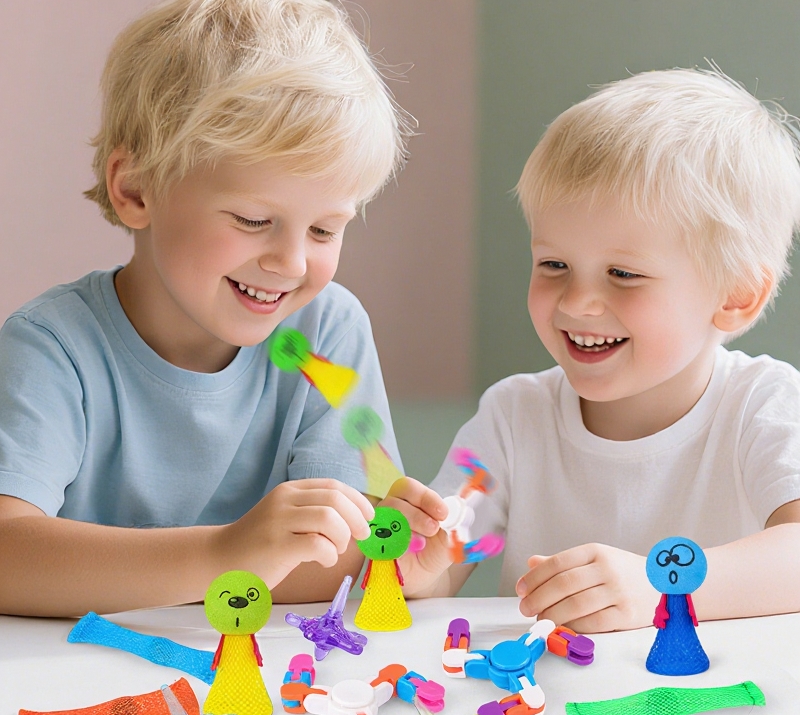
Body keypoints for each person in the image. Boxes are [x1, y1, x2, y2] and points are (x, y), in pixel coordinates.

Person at [0, 0, 446, 617]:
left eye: (324, 230)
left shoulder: (328, 331)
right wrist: (226, 555)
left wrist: (395, 562)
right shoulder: (51, 348)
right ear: (134, 189)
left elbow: (342, 556)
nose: (291, 262)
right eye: (254, 219)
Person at [400, 68, 800, 632]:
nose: (578, 302)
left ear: (735, 296)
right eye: (554, 264)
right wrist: (417, 566)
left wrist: (663, 588)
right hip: (543, 686)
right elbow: (446, 564)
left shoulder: (764, 404)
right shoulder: (513, 417)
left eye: (623, 273)